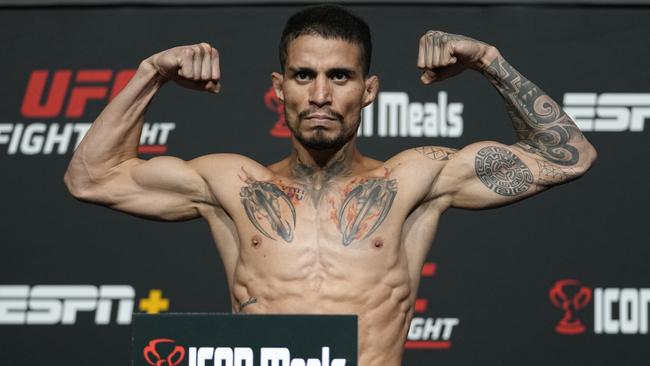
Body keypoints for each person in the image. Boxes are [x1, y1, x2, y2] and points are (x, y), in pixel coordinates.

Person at [64, 4, 596, 365]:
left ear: (368, 91)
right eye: (303, 76)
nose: (320, 94)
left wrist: (488, 60)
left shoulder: (414, 179)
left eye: (339, 77)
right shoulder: (230, 182)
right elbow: (91, 178)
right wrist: (151, 73)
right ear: (279, 88)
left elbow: (567, 156)